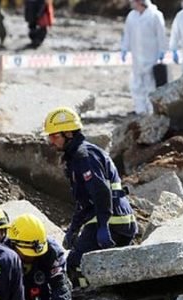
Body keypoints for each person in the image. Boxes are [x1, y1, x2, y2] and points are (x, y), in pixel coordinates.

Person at [43, 107, 137, 285]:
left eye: (54, 136)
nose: (51, 141)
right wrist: (74, 228)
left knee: (75, 263)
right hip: (116, 221)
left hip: (113, 223)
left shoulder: (83, 156)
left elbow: (101, 192)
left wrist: (103, 227)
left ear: (69, 133)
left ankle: (86, 297)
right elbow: (85, 201)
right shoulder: (76, 156)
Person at [6, 213, 73, 300]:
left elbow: (59, 283)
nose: (31, 257)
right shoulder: (3, 253)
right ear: (13, 244)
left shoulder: (52, 252)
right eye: (26, 254)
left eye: (35, 254)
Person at [121, 0, 168, 114]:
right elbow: (127, 34)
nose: (131, 2)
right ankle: (140, 110)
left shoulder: (155, 15)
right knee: (136, 84)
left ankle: (152, 110)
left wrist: (162, 51)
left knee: (151, 85)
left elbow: (161, 35)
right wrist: (124, 48)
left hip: (151, 57)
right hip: (137, 58)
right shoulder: (131, 16)